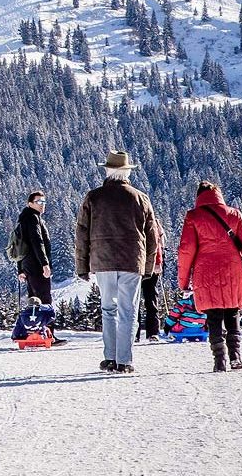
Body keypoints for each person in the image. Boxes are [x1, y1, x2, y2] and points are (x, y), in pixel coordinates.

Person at [75, 150, 162, 374]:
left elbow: (82, 234)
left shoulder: (93, 197)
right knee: (128, 311)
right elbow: (152, 236)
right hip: (132, 261)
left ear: (107, 170)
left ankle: (109, 357)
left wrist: (82, 266)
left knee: (108, 309)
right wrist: (149, 267)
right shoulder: (140, 197)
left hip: (103, 260)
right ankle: (125, 360)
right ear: (126, 173)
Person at [176, 181, 242, 372]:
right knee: (233, 314)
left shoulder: (193, 217)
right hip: (233, 271)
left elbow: (186, 251)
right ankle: (236, 357)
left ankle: (219, 360)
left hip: (205, 272)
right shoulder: (234, 214)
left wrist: (183, 282)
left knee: (214, 317)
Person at [14, 191, 53, 305]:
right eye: (38, 201)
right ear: (30, 204)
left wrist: (20, 269)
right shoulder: (33, 218)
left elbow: (20, 245)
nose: (42, 204)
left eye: (44, 201)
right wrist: (44, 264)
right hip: (36, 265)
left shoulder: (23, 219)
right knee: (44, 299)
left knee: (34, 300)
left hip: (27, 265)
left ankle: (34, 322)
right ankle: (45, 322)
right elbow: (37, 241)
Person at [138, 212, 167, 343]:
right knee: (151, 299)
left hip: (135, 267)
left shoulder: (134, 221)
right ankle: (153, 332)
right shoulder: (155, 223)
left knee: (133, 301)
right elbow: (160, 245)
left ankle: (134, 333)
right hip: (152, 266)